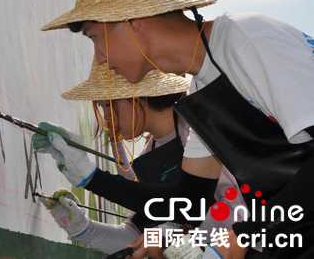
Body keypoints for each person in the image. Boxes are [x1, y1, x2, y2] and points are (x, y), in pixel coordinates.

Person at [38, 0, 314, 259]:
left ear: (131, 20)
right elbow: (192, 200)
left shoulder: (246, 39)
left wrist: (242, 236)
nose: (100, 58)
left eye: (93, 38)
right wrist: (90, 177)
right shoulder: (202, 89)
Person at [36, 60, 262, 258]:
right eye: (100, 106)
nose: (106, 117)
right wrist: (83, 229)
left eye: (109, 104)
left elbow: (234, 213)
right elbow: (135, 235)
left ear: (140, 94)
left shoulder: (197, 134)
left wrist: (167, 233)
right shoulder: (148, 153)